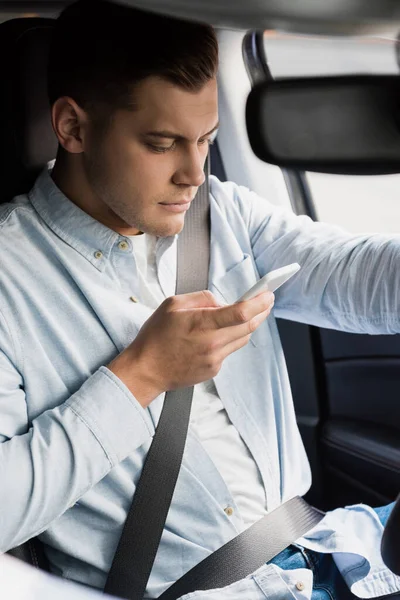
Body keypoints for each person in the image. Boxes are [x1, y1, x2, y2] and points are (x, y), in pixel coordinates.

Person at [0, 1, 399, 598]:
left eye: (206, 140)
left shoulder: (220, 211)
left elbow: (358, 279)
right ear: (73, 128)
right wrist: (140, 377)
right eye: (162, 144)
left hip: (331, 548)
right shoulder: (8, 278)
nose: (193, 173)